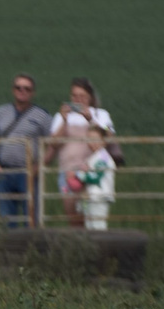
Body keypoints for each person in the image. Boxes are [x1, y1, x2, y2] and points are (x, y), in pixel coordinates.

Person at [0, 75, 54, 227]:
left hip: (29, 172)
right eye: (18, 87)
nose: (22, 91)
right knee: (7, 219)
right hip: (4, 172)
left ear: (33, 92)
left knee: (32, 219)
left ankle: (33, 249)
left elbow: (53, 145)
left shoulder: (42, 115)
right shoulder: (0, 112)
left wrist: (38, 167)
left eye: (27, 88)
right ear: (13, 90)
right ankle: (11, 250)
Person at [48, 78, 116, 229]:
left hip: (92, 172)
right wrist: (64, 121)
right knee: (73, 218)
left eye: (82, 96)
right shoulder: (60, 117)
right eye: (74, 96)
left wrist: (91, 119)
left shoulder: (101, 114)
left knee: (93, 218)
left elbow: (109, 136)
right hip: (68, 173)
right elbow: (53, 143)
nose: (78, 100)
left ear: (90, 97)